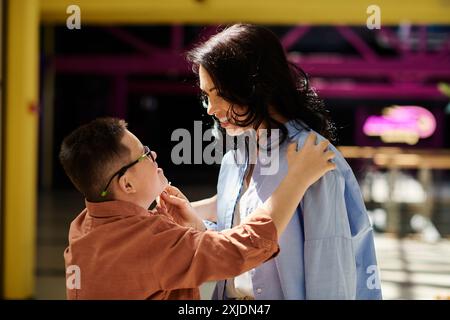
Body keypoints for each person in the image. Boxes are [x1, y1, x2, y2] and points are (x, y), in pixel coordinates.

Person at [186, 24, 382, 299]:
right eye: (206, 96)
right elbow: (233, 232)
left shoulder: (311, 156)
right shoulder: (235, 158)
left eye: (220, 93)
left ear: (254, 86)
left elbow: (329, 268)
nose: (211, 108)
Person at [59, 117, 335, 299]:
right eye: (143, 153)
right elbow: (238, 249)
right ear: (127, 184)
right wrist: (298, 177)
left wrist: (183, 224)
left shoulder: (83, 227)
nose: (153, 155)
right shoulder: (153, 242)